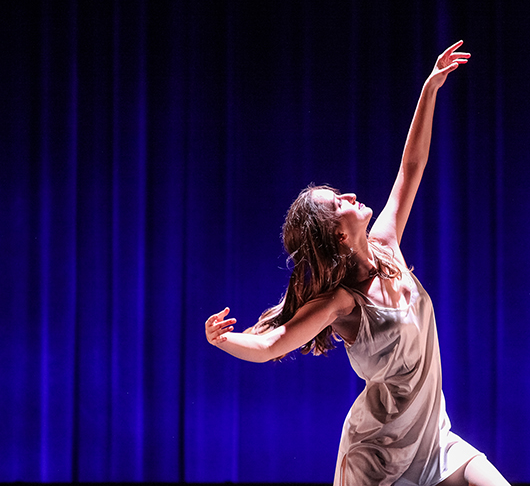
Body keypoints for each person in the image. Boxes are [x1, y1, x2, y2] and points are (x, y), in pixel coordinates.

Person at [205, 41, 509, 486]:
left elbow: (412, 167)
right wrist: (222, 341)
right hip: (380, 455)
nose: (350, 195)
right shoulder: (344, 302)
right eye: (338, 203)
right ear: (337, 235)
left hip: (434, 442)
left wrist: (430, 88)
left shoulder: (387, 244)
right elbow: (274, 344)